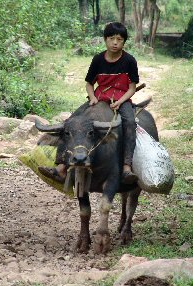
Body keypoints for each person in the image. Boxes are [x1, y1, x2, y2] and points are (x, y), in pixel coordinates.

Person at [39, 22, 139, 184]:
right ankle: (61, 166)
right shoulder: (98, 59)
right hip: (99, 97)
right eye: (111, 38)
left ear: (124, 42)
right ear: (105, 40)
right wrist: (92, 97)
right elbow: (89, 83)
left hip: (121, 98)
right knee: (70, 122)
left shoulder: (129, 60)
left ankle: (127, 167)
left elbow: (132, 88)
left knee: (129, 123)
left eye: (119, 39)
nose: (115, 42)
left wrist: (120, 102)